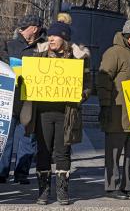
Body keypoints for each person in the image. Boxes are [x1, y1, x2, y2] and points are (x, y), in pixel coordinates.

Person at [25, 21, 91, 205]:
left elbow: (87, 85)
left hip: (66, 113)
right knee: (43, 151)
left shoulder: (78, 59)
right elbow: (29, 79)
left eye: (55, 36)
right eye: (50, 36)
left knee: (63, 152)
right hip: (43, 112)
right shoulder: (39, 55)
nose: (51, 38)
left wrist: (81, 95)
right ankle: (43, 191)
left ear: (65, 38)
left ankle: (62, 191)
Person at [97, 19, 130, 200]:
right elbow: (103, 80)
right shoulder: (114, 53)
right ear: (129, 35)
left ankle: (129, 186)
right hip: (117, 112)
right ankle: (112, 187)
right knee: (114, 152)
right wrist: (104, 105)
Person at [0, 15, 43, 184]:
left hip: (31, 100)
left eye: (24, 27)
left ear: (34, 28)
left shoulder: (42, 48)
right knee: (6, 138)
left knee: (28, 138)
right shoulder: (9, 46)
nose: (20, 29)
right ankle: (2, 172)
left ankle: (22, 173)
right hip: (10, 99)